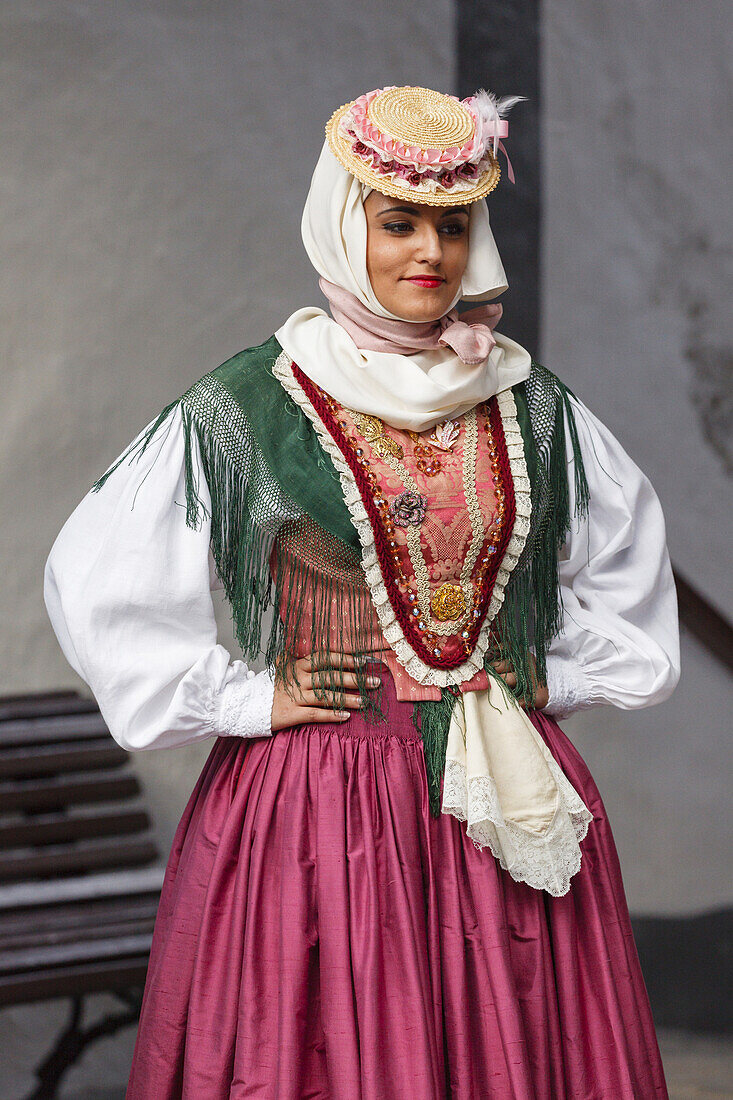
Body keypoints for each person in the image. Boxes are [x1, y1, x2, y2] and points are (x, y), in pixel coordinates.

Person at [44, 84, 680, 1099]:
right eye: (398, 221)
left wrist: (547, 672)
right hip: (317, 806)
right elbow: (98, 571)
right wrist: (251, 696)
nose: (428, 250)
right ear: (344, 224)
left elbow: (629, 559)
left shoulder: (528, 402)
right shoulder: (253, 400)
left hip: (502, 806)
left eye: (453, 224)